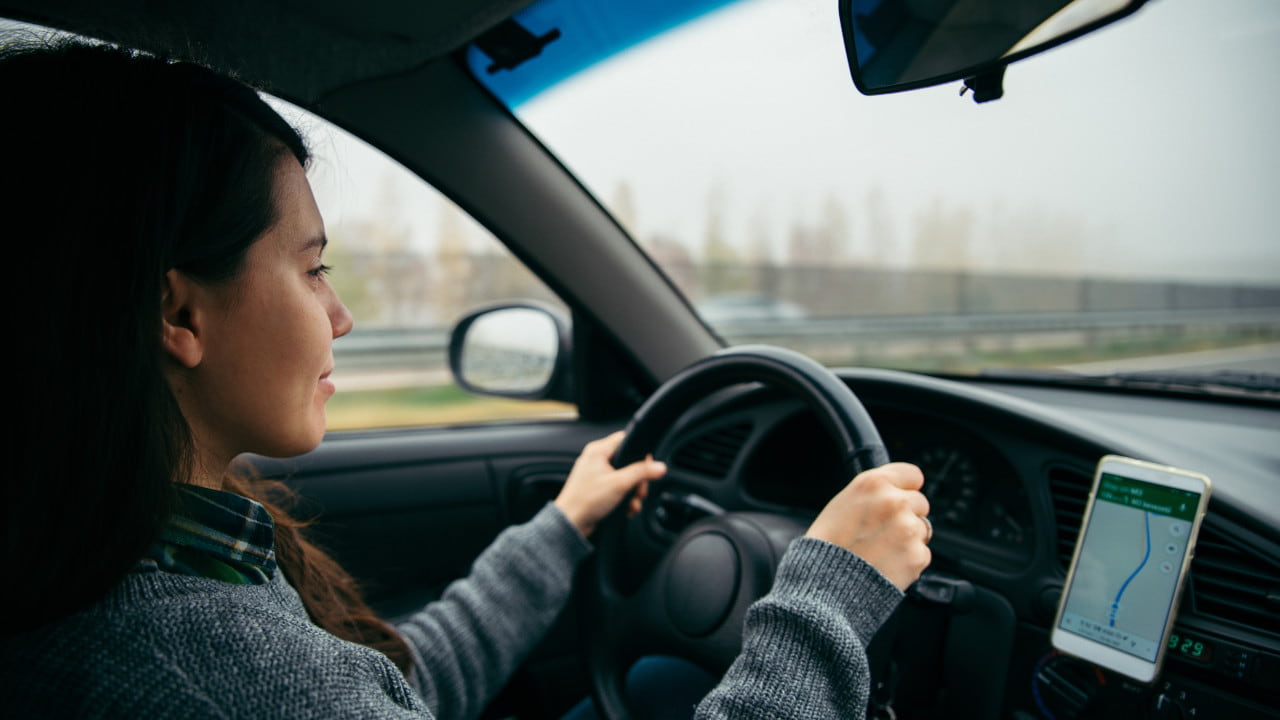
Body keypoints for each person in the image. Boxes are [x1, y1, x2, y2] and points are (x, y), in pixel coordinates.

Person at [0, 38, 931, 719]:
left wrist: (563, 527)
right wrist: (824, 598)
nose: (340, 315)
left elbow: (397, 692)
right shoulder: (203, 660)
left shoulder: (124, 566)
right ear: (178, 315)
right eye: (313, 268)